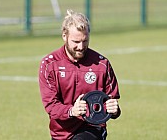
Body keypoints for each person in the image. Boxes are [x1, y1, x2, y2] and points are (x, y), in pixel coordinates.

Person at [39, 9, 121, 140]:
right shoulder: (49, 64)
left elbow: (110, 100)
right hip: (61, 132)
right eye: (76, 42)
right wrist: (71, 111)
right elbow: (51, 105)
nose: (81, 46)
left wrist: (115, 110)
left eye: (85, 41)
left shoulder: (102, 64)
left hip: (93, 128)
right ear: (64, 36)